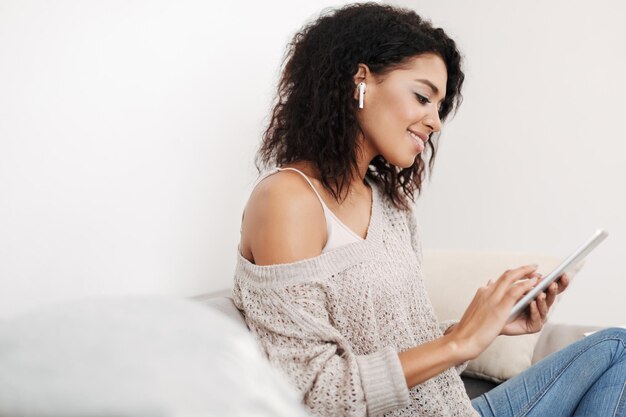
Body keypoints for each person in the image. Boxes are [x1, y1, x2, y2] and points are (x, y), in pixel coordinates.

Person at [232, 3, 626, 416]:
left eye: (439, 107)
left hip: (456, 409)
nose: (435, 122)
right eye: (422, 97)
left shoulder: (389, 206)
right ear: (359, 81)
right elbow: (316, 393)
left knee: (616, 348)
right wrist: (459, 342)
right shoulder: (287, 200)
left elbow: (404, 347)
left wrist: (485, 328)